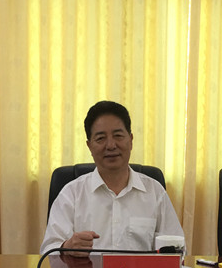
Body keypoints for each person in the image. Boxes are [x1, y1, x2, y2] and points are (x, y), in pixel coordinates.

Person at [41, 100, 184, 256]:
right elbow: (48, 251)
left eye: (118, 136)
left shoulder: (155, 192)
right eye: (100, 138)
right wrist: (66, 247)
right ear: (89, 146)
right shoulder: (71, 194)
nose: (110, 145)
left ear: (131, 140)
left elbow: (177, 249)